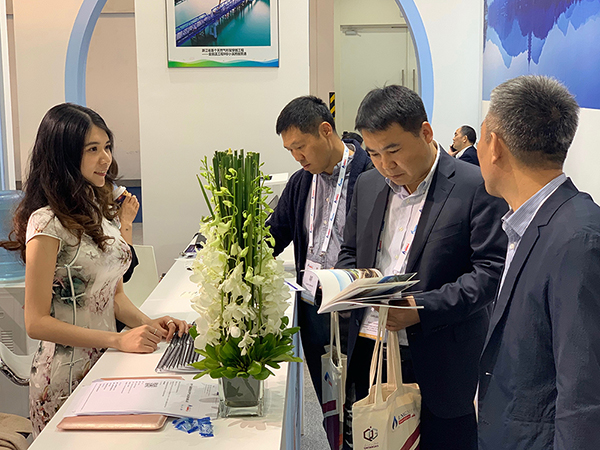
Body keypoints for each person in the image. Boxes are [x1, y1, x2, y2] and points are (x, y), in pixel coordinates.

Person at [0, 103, 189, 436]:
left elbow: (113, 297)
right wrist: (118, 339)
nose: (106, 159)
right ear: (63, 156)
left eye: (107, 147)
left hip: (108, 365)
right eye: (93, 149)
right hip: (64, 378)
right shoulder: (45, 223)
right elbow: (36, 322)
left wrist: (151, 326)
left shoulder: (99, 213)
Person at [336, 85, 507, 449]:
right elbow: (350, 251)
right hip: (371, 348)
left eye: (393, 150)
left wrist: (421, 308)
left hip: (440, 355)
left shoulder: (475, 186)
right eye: (373, 153)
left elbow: (490, 272)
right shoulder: (367, 184)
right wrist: (348, 285)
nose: (385, 165)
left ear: (426, 132)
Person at [477, 76, 600, 449]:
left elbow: (584, 394)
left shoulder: (577, 240)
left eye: (481, 136)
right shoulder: (527, 224)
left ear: (495, 146)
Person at [266, 95, 372, 403]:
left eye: (300, 146)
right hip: (313, 306)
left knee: (359, 400)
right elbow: (275, 234)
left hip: (354, 309)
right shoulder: (301, 182)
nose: (297, 157)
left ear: (326, 130)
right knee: (328, 399)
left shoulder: (369, 176)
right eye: (290, 150)